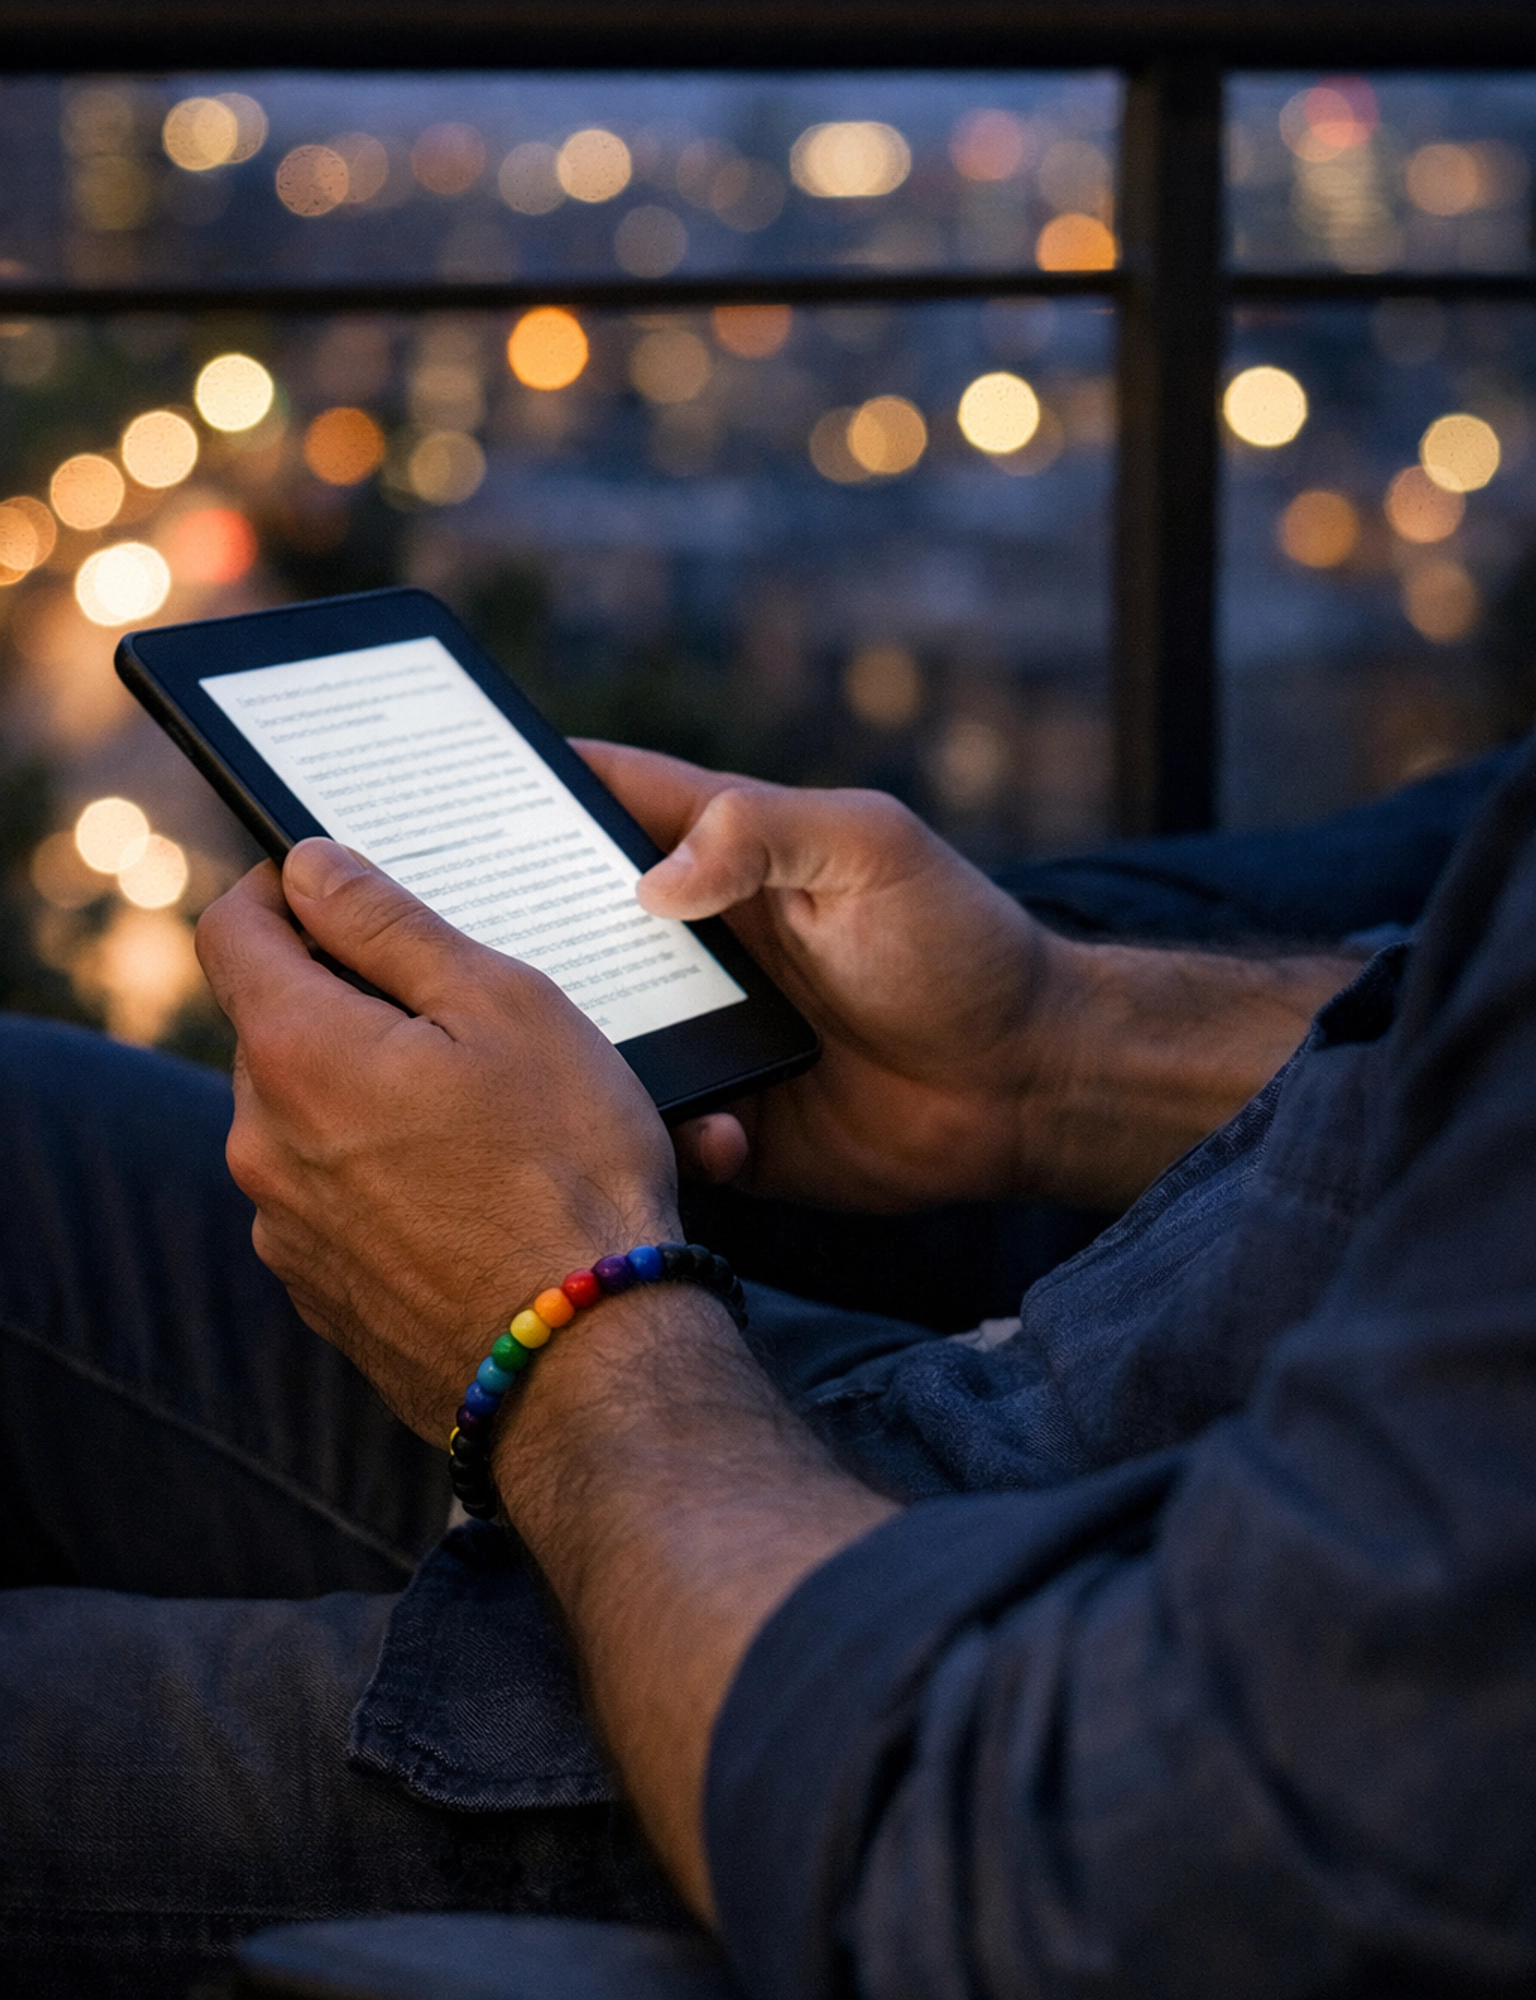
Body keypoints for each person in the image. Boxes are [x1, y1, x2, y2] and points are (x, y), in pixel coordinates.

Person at [1, 736, 1533, 1999]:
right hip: (1049, 1425)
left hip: (922, 1728)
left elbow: (1114, 1880)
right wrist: (1058, 1049)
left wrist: (565, 1317)